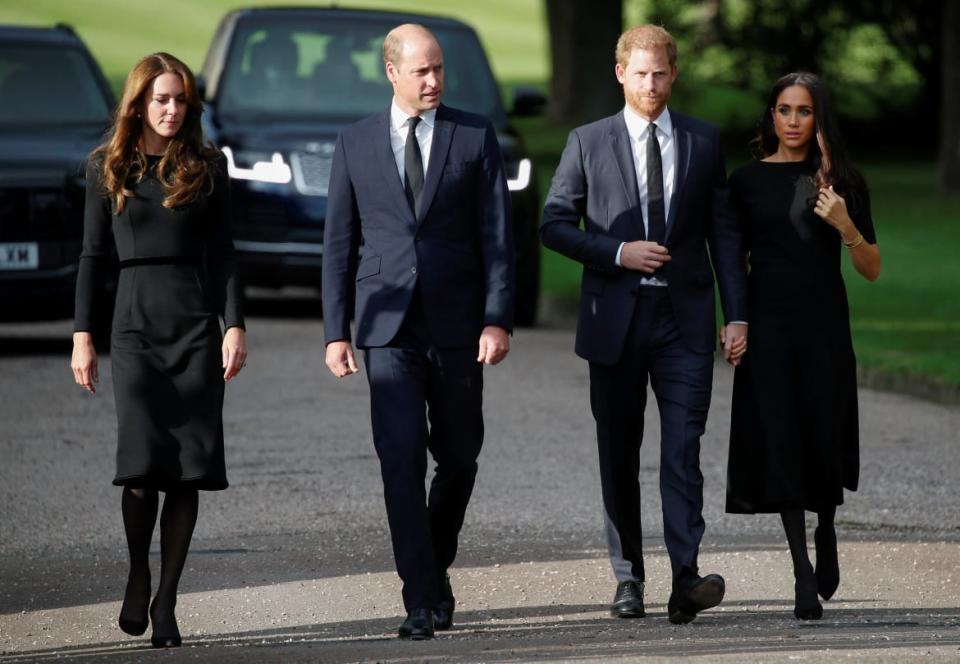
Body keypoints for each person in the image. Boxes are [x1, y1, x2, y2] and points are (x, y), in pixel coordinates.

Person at [540, 24, 748, 625]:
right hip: (616, 321)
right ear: (619, 74)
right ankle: (628, 577)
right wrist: (616, 251)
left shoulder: (704, 142)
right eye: (640, 74)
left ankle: (686, 577)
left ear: (673, 74)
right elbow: (553, 224)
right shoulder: (587, 141)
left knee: (683, 451)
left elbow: (724, 237)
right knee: (619, 452)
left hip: (684, 320)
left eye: (660, 73)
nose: (650, 84)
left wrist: (736, 313)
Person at [322, 24, 513, 640]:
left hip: (458, 322)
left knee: (459, 456)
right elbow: (338, 245)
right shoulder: (354, 143)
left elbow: (497, 236)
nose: (433, 81)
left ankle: (431, 566)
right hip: (385, 326)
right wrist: (336, 331)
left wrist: (497, 316)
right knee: (399, 457)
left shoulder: (475, 134)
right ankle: (420, 599)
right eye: (421, 71)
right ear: (392, 73)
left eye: (439, 70)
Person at [70, 52, 246, 648]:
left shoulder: (208, 166)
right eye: (160, 100)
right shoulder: (108, 168)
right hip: (135, 329)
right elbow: (94, 258)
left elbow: (224, 253)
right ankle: (137, 572)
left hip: (195, 325)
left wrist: (234, 324)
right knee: (143, 466)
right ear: (140, 104)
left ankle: (167, 600)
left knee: (187, 472)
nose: (171, 110)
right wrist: (82, 335)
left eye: (180, 101)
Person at [725, 72, 881, 620]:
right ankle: (800, 573)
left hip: (824, 327)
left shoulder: (842, 181)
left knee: (822, 430)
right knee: (781, 438)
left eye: (804, 111)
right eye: (784, 110)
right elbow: (731, 261)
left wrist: (844, 224)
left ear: (820, 118)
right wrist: (735, 322)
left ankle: (828, 526)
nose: (793, 121)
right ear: (771, 115)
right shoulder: (744, 182)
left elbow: (872, 269)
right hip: (769, 329)